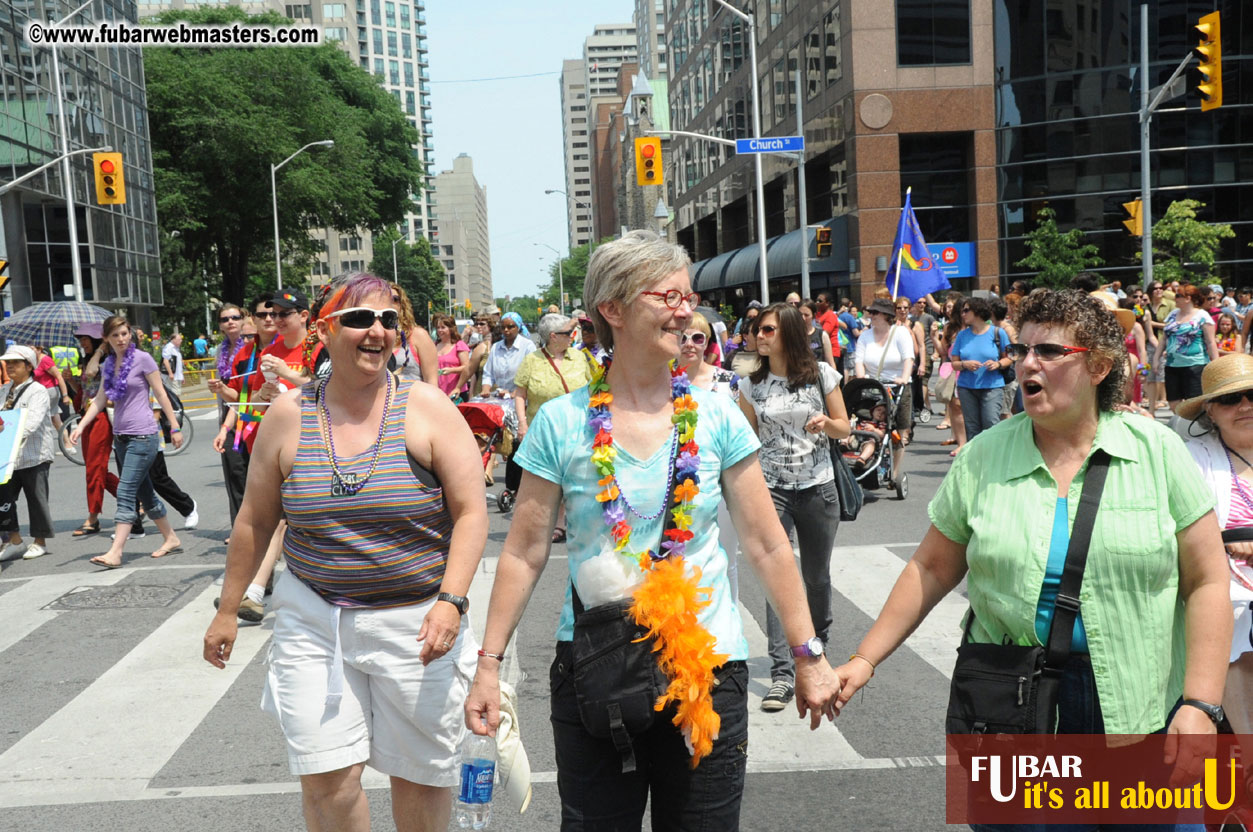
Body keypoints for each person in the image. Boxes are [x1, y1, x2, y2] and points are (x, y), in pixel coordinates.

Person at [464, 231, 841, 831]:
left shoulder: (716, 412)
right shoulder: (563, 423)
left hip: (707, 669)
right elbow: (523, 552)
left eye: (686, 296)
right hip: (597, 664)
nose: (684, 309)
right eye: (666, 296)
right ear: (612, 310)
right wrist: (488, 666)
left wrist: (807, 655)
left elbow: (769, 544)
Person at [834, 290, 1231, 774]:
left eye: (1049, 351)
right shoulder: (983, 456)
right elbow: (931, 568)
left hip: (1143, 703)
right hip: (1011, 707)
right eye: (1022, 350)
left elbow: (1207, 581)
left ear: (1100, 367)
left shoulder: (1158, 451)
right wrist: (863, 660)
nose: (1026, 364)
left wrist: (1201, 704)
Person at [203, 271, 488, 832]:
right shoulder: (288, 416)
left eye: (388, 320)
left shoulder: (428, 408)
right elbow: (256, 521)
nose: (376, 331)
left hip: (417, 621)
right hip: (315, 621)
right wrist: (227, 610)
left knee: (420, 777)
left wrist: (451, 601)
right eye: (359, 319)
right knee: (328, 781)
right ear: (324, 330)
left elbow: (472, 513)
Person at [739, 301, 851, 711]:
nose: (759, 337)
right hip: (772, 490)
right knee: (777, 579)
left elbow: (845, 427)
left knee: (817, 578)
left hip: (818, 488)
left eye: (767, 330)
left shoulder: (821, 375)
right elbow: (745, 440)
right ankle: (783, 673)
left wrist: (827, 424)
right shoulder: (750, 386)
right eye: (757, 330)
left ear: (786, 332)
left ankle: (815, 650)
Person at [1181, 355, 1253, 770]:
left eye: (1252, 395)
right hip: (1224, 578)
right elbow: (1189, 528)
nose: (1245, 405)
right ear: (1210, 409)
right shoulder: (1192, 456)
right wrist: (1228, 544)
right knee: (1231, 610)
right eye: (1230, 399)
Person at [68, 315, 185, 566]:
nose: (122, 339)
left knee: (125, 490)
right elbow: (100, 399)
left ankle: (115, 552)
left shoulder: (143, 359)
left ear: (129, 333)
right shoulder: (109, 364)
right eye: (115, 335)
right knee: (146, 494)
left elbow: (161, 393)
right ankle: (171, 538)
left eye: (125, 333)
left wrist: (174, 427)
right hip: (121, 438)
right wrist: (81, 426)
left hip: (143, 435)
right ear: (107, 339)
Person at [513, 313, 592, 545]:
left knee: (575, 474)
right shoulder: (532, 360)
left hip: (578, 426)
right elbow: (520, 394)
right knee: (548, 479)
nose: (573, 337)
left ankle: (567, 520)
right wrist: (522, 423)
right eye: (569, 333)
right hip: (543, 429)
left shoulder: (580, 358)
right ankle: (546, 521)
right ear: (553, 337)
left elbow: (593, 387)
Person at [0, 346, 56, 562]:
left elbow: (31, 424)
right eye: (8, 362)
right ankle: (14, 540)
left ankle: (39, 542)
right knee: (4, 500)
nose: (10, 366)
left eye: (16, 362)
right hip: (8, 458)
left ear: (29, 366)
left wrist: (7, 430)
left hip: (34, 454)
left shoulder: (38, 391)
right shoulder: (4, 391)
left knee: (37, 499)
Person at [854, 298, 914, 480]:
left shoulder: (901, 333)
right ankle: (864, 457)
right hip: (873, 387)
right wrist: (861, 378)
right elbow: (858, 361)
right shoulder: (865, 336)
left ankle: (894, 472)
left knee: (899, 430)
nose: (870, 316)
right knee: (866, 422)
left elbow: (908, 359)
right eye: (870, 312)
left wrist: (903, 377)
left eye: (875, 313)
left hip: (897, 386)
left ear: (886, 316)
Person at [69, 323, 119, 538]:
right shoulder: (87, 361)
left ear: (99, 339)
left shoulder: (108, 360)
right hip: (85, 417)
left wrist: (101, 349)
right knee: (94, 467)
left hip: (101, 417)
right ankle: (136, 499)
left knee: (94, 468)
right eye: (80, 339)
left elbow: (92, 373)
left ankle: (93, 516)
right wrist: (70, 381)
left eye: (87, 338)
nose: (83, 342)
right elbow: (84, 390)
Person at [949, 296, 1013, 442]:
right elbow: (954, 363)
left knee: (991, 424)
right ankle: (976, 462)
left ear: (977, 311)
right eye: (962, 311)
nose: (962, 314)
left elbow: (1010, 357)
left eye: (966, 310)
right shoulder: (962, 335)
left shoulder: (998, 333)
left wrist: (998, 364)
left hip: (992, 386)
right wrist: (965, 364)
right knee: (972, 428)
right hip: (967, 387)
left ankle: (993, 459)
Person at [1153, 283, 1220, 411]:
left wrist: (1215, 364)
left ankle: (1195, 429)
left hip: (1195, 365)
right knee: (1173, 403)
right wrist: (1156, 358)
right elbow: (1164, 339)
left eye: (1178, 295)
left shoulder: (1202, 316)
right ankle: (1180, 428)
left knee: (1194, 403)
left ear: (1188, 298)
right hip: (1172, 365)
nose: (1175, 298)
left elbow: (1211, 342)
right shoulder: (1173, 314)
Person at [479, 311, 537, 398]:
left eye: (510, 327)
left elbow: (532, 375)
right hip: (500, 397)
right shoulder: (496, 347)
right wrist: (486, 389)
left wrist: (515, 392)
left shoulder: (528, 346)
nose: (506, 330)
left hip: (521, 398)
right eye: (503, 327)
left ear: (518, 327)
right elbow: (488, 373)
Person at [390, 283, 438, 384]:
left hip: (413, 398)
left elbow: (432, 381)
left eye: (394, 299)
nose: (389, 302)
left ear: (401, 305)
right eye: (384, 298)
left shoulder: (418, 335)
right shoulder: (375, 336)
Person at [433, 314, 470, 401]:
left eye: (443, 327)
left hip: (456, 392)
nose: (439, 330)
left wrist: (451, 370)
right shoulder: (434, 345)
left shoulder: (459, 345)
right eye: (438, 327)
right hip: (439, 392)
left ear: (451, 329)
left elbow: (467, 367)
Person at [799, 299, 836, 366]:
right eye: (800, 314)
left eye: (806, 315)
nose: (803, 318)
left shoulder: (822, 335)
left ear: (813, 315)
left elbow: (830, 363)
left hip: (818, 374)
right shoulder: (792, 335)